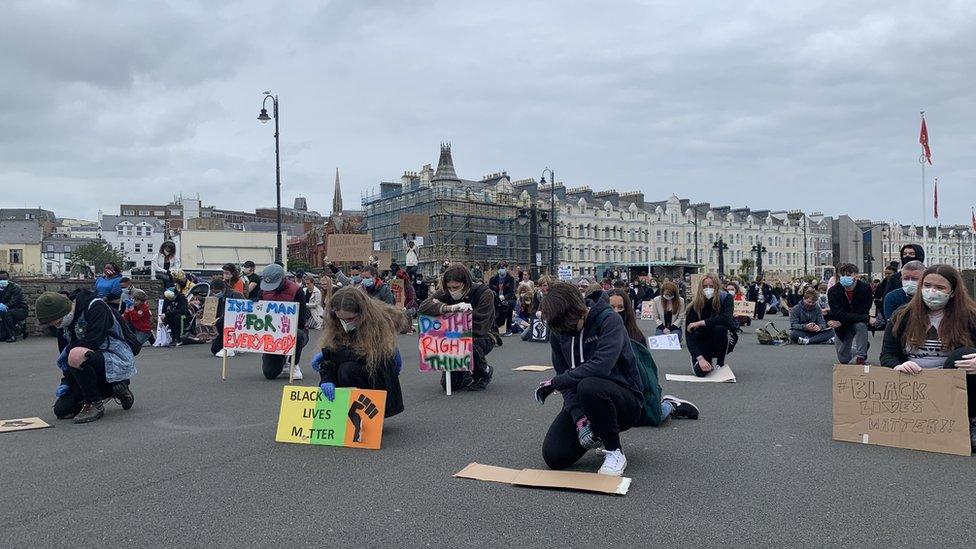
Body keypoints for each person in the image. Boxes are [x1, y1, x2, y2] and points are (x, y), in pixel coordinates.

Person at [536, 282, 644, 476]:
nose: (565, 332)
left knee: (589, 385)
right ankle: (596, 428)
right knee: (554, 456)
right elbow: (566, 382)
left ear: (579, 311)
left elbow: (600, 367)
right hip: (584, 401)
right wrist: (579, 419)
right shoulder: (559, 332)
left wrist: (555, 383)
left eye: (568, 327)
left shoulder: (609, 320)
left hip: (624, 400)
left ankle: (614, 451)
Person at [879, 264, 976, 450]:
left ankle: (971, 419)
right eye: (927, 285)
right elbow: (887, 355)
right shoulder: (902, 315)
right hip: (914, 383)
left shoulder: (970, 316)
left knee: (964, 355)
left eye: (940, 288)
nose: (932, 291)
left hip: (952, 381)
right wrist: (898, 366)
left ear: (953, 292)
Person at [35, 290, 136, 423]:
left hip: (113, 357)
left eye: (53, 321)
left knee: (76, 355)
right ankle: (113, 389)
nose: (54, 325)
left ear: (62, 312)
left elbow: (93, 341)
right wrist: (66, 382)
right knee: (62, 410)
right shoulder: (63, 325)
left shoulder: (96, 307)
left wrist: (70, 350)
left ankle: (96, 403)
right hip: (84, 363)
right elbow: (66, 358)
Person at [310, 287, 405, 420]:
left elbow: (366, 356)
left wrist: (328, 354)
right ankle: (347, 412)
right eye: (342, 319)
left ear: (362, 313)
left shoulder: (379, 323)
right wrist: (327, 380)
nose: (346, 323)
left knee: (348, 369)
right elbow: (331, 359)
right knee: (341, 366)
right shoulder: (336, 323)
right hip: (355, 366)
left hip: (378, 373)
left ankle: (368, 416)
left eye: (350, 318)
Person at [608, 288, 700, 420]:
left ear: (627, 310)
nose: (616, 312)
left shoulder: (635, 337)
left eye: (620, 307)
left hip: (630, 389)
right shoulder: (595, 334)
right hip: (607, 388)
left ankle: (669, 405)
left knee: (651, 417)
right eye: (611, 307)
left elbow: (644, 374)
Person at [418, 264, 498, 391]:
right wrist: (448, 308)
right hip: (453, 336)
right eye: (449, 287)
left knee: (470, 343)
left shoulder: (484, 293)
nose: (452, 290)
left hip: (482, 336)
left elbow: (480, 325)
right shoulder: (446, 292)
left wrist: (462, 317)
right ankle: (465, 372)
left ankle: (484, 372)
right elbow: (423, 307)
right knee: (450, 385)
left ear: (466, 283)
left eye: (456, 287)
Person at [259, 264, 309, 380]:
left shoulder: (297, 291)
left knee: (299, 334)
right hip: (271, 334)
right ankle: (281, 360)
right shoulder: (263, 291)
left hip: (293, 331)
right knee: (270, 373)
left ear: (282, 279)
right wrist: (254, 304)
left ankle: (293, 363)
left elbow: (301, 320)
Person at [685, 273, 735, 377]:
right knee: (701, 372)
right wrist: (699, 358)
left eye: (711, 286)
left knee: (721, 328)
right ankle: (702, 359)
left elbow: (726, 319)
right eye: (705, 286)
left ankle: (720, 363)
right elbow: (689, 335)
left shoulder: (726, 298)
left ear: (716, 287)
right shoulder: (693, 306)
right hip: (701, 340)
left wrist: (701, 322)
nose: (708, 289)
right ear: (700, 287)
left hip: (718, 338)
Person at [827, 263, 877, 365]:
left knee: (861, 325)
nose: (846, 277)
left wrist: (862, 318)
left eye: (849, 275)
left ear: (856, 276)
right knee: (844, 359)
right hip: (841, 325)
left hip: (854, 322)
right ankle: (861, 347)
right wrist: (867, 318)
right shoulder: (833, 291)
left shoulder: (865, 288)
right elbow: (839, 314)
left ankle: (861, 356)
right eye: (843, 275)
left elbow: (863, 310)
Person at [210, 279, 246, 358]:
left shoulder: (236, 295)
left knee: (220, 321)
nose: (215, 294)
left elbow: (240, 312)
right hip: (223, 326)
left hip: (236, 324)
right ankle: (228, 343)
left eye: (217, 292)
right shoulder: (219, 297)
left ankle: (232, 345)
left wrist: (220, 318)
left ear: (223, 289)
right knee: (214, 350)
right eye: (213, 292)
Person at [489, 262, 517, 335]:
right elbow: (490, 290)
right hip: (496, 297)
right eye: (500, 268)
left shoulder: (510, 278)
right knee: (493, 306)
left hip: (509, 298)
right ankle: (494, 327)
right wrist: (497, 297)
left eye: (504, 267)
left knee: (508, 305)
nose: (502, 269)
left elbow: (512, 291)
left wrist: (504, 297)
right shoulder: (493, 279)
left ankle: (508, 328)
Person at [0, 271, 28, 342]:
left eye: (5, 278)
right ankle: (20, 327)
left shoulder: (15, 287)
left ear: (8, 278)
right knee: (2, 337)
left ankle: (12, 336)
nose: (2, 281)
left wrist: (4, 306)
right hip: (6, 311)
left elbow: (14, 302)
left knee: (5, 313)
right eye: (0, 279)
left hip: (20, 310)